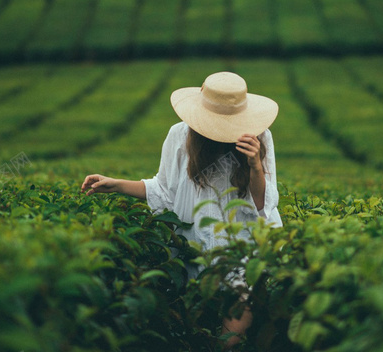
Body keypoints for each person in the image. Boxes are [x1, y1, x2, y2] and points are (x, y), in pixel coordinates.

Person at [81, 71, 282, 349]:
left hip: (243, 245)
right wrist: (116, 184)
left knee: (232, 331)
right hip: (197, 245)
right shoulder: (180, 135)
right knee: (197, 330)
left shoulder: (260, 137)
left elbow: (263, 204)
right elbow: (164, 189)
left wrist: (255, 165)